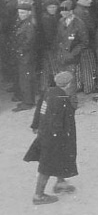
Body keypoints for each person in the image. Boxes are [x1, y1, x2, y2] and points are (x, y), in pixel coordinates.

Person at [24, 71, 79, 205]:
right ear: (69, 84)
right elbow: (56, 121)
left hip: (46, 133)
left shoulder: (49, 92)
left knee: (60, 157)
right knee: (47, 163)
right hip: (55, 136)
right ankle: (39, 195)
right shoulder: (61, 99)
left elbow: (39, 109)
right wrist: (59, 137)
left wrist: (35, 125)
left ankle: (60, 182)